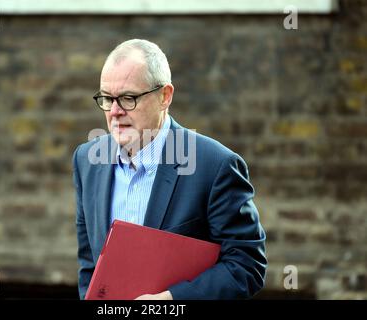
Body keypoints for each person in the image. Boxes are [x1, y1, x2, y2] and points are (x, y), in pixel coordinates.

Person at [73, 39, 267, 300]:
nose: (115, 111)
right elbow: (90, 265)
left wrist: (172, 300)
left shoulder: (215, 166)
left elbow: (247, 265)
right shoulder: (87, 160)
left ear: (165, 96)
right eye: (107, 99)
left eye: (128, 98)